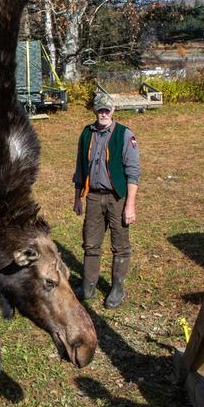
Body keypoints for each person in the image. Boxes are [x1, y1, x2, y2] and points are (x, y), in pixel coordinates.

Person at [71, 96, 139, 308]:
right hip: (93, 197)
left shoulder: (125, 135)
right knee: (90, 244)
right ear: (94, 110)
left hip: (117, 198)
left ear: (113, 110)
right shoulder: (87, 133)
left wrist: (130, 205)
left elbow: (133, 172)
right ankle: (88, 286)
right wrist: (77, 198)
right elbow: (80, 168)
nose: (103, 113)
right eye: (100, 110)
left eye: (107, 110)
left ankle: (117, 288)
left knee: (120, 246)